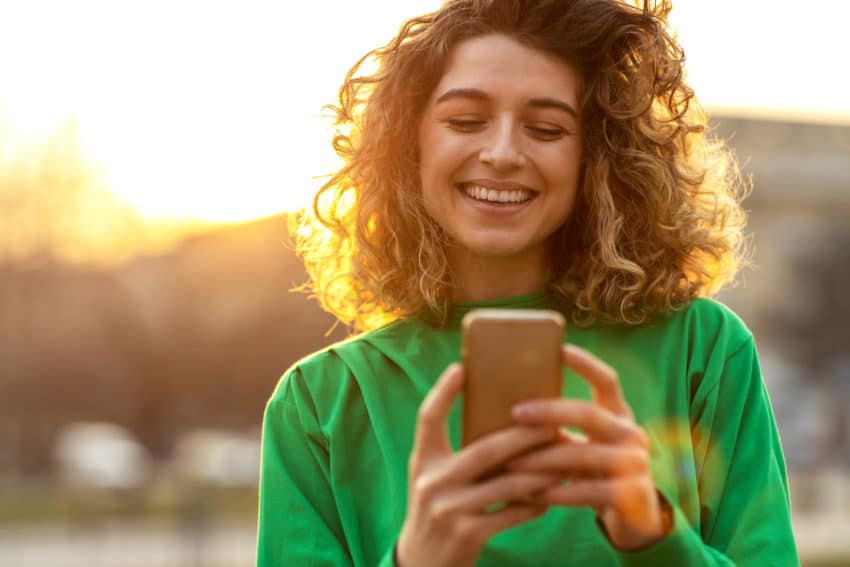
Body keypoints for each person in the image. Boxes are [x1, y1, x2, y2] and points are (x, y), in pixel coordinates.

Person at [257, 0, 799, 565]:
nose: (502, 153)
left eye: (545, 129)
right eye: (465, 121)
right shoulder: (318, 403)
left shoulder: (702, 348)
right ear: (407, 144)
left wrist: (653, 536)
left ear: (595, 155)